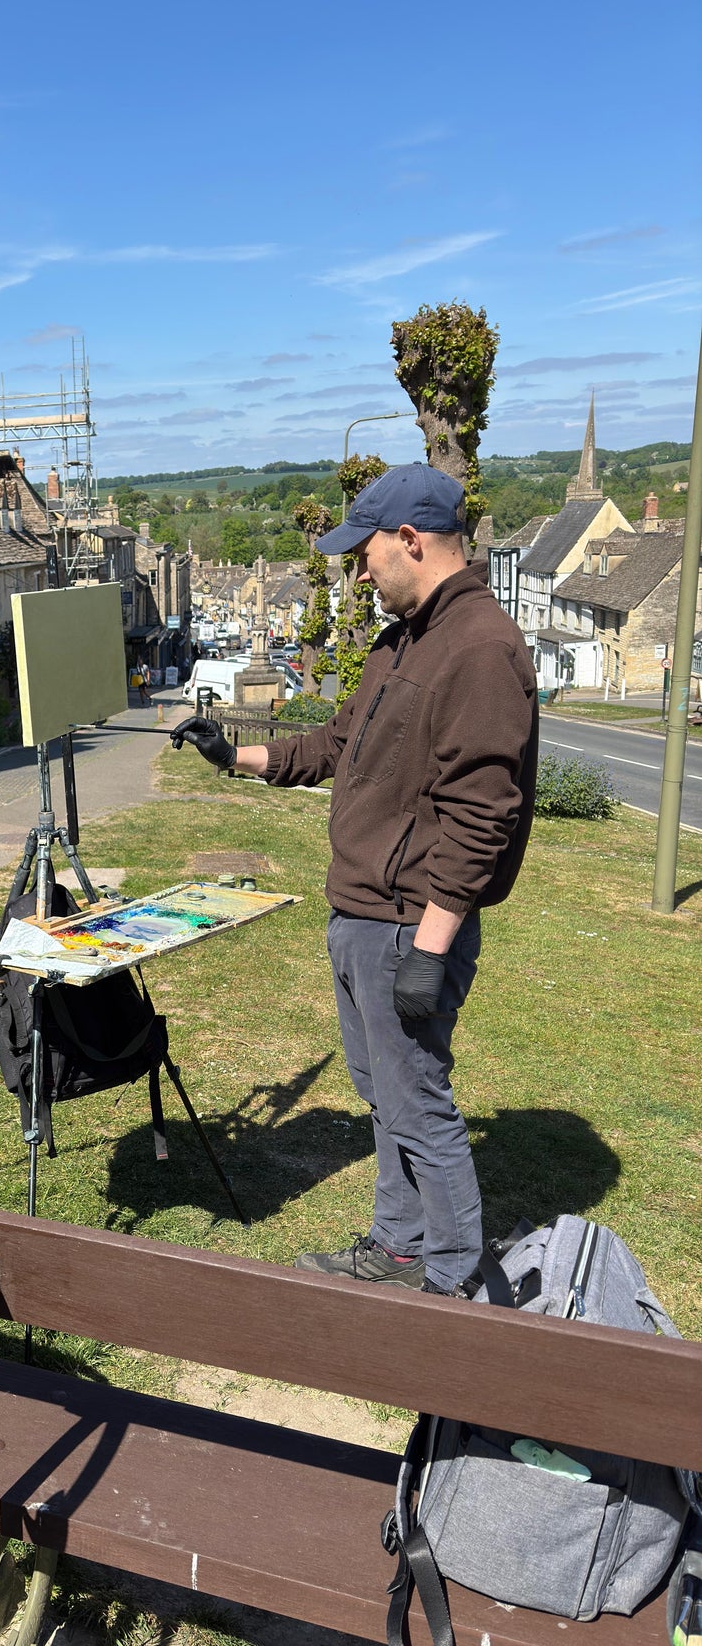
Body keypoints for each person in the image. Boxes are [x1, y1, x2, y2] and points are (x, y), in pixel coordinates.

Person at [170, 463, 537, 1297]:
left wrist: (429, 950)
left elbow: (482, 816)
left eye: (364, 555)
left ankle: (449, 1285)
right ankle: (398, 1250)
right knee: (385, 1096)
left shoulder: (478, 649)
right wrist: (234, 754)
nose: (359, 575)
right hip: (363, 914)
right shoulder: (401, 638)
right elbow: (335, 744)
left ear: (410, 540)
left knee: (418, 1103)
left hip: (409, 927)